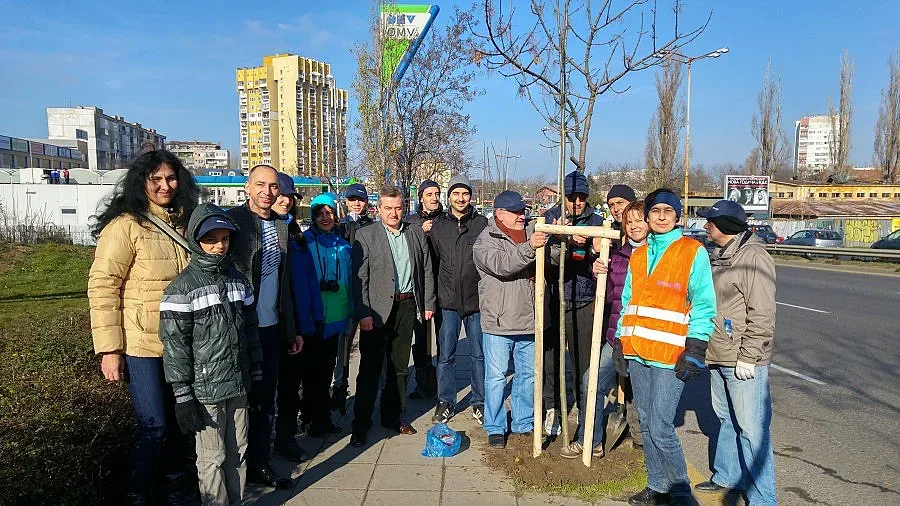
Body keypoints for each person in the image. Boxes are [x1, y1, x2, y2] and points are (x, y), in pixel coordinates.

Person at [88, 149, 199, 505]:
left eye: (170, 178)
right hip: (142, 346)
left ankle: (174, 488)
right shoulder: (126, 225)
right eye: (156, 180)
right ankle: (135, 492)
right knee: (154, 426)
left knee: (180, 423)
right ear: (142, 183)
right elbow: (104, 286)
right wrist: (110, 349)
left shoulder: (187, 223)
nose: (165, 186)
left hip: (183, 344)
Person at [614, 188, 716, 506]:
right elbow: (629, 300)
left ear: (677, 217)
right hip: (639, 351)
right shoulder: (640, 254)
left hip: (672, 355)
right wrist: (620, 341)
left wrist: (696, 349)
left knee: (660, 425)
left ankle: (680, 488)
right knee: (645, 422)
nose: (660, 217)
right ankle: (656, 486)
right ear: (647, 217)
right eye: (655, 211)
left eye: (667, 212)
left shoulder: (692, 251)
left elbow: (703, 304)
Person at [159, 204, 262, 506]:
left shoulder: (239, 281)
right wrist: (182, 396)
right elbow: (175, 347)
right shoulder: (181, 288)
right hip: (206, 392)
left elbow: (251, 331)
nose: (219, 246)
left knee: (238, 451)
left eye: (225, 239)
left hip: (238, 384)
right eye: (211, 239)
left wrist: (255, 373)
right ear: (195, 240)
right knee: (212, 457)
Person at [695, 200, 777, 505]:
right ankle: (727, 476)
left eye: (710, 223)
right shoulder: (720, 254)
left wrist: (749, 355)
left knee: (752, 431)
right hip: (718, 352)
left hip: (741, 357)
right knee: (727, 419)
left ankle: (763, 499)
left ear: (724, 227)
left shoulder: (752, 257)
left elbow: (763, 312)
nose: (705, 227)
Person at [226, 164, 301, 490]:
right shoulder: (232, 221)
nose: (267, 192)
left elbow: (284, 284)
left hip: (271, 326)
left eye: (273, 186)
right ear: (247, 187)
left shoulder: (282, 226)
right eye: (261, 185)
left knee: (265, 399)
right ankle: (230, 467)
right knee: (238, 400)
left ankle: (259, 463)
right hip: (239, 328)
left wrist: (292, 329)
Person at [349, 187, 436, 447]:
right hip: (376, 311)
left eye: (398, 207)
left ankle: (392, 416)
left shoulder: (415, 232)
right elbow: (359, 279)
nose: (393, 213)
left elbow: (427, 268)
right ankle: (361, 424)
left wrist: (428, 302)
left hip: (407, 305)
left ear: (404, 206)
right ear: (378, 209)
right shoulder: (365, 236)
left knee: (399, 368)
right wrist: (363, 312)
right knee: (370, 369)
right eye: (387, 208)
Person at [539, 171, 609, 460]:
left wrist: (592, 250)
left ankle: (584, 410)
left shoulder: (596, 221)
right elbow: (540, 254)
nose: (577, 202)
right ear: (563, 196)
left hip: (584, 300)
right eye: (571, 197)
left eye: (581, 197)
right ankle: (552, 407)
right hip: (555, 297)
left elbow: (604, 257)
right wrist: (560, 237)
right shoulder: (551, 217)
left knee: (583, 362)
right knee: (552, 358)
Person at [472, 190, 548, 449]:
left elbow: (550, 259)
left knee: (527, 375)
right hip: (499, 322)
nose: (521, 216)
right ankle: (494, 426)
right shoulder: (485, 241)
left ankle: (523, 421)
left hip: (530, 319)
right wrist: (530, 247)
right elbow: (503, 265)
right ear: (499, 214)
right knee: (496, 377)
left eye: (523, 211)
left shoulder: (532, 231)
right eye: (515, 212)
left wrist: (562, 241)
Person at [271, 172, 322, 463]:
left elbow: (308, 279)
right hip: (276, 323)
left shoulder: (294, 232)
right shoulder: (264, 231)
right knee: (275, 389)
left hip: (301, 322)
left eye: (288, 196)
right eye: (280, 194)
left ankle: (286, 437)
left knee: (291, 386)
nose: (284, 200)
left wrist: (315, 315)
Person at [429, 174, 488, 424]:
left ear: (470, 196)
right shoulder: (438, 226)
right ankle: (446, 401)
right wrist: (431, 300)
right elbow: (431, 264)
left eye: (465, 193)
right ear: (449, 196)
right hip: (448, 302)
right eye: (456, 193)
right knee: (446, 356)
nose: (461, 198)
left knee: (478, 355)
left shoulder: (482, 224)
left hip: (475, 302)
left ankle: (479, 401)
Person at [302, 193, 353, 437]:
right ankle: (311, 418)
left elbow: (350, 279)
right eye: (320, 213)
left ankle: (323, 416)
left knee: (327, 369)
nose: (326, 218)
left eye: (329, 213)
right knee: (313, 373)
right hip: (314, 317)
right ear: (313, 216)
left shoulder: (342, 244)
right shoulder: (305, 242)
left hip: (336, 316)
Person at [330, 182, 375, 412]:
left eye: (361, 199)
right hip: (345, 297)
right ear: (346, 202)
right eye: (353, 199)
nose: (357, 203)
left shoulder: (373, 226)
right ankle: (339, 390)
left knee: (370, 348)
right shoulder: (339, 227)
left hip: (367, 297)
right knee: (343, 348)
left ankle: (367, 393)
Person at [404, 179, 444, 400]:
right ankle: (422, 384)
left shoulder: (445, 219)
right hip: (419, 288)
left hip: (443, 286)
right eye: (429, 194)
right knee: (420, 339)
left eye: (437, 193)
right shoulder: (412, 222)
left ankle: (441, 384)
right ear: (421, 197)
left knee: (443, 339)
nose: (434, 198)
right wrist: (421, 230)